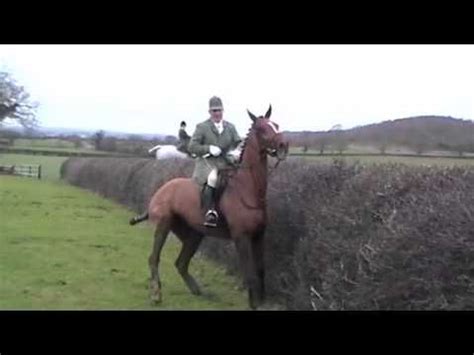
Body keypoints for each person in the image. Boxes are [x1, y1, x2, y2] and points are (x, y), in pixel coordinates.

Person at [188, 96, 242, 227]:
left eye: (219, 110)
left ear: (223, 111)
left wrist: (237, 151)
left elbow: (238, 143)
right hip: (207, 163)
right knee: (213, 178)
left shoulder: (230, 127)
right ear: (209, 112)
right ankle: (210, 212)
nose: (217, 113)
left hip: (225, 162)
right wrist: (209, 148)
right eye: (214, 111)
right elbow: (192, 147)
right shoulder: (202, 127)